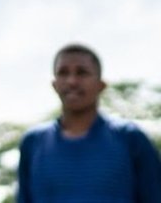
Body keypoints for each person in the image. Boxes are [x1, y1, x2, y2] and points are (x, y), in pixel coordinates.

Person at [16, 43, 161, 202]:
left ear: (101, 85)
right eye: (63, 73)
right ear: (54, 84)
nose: (71, 81)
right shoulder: (33, 142)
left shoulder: (130, 138)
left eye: (82, 72)